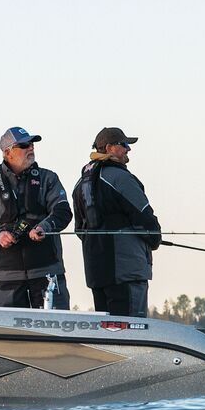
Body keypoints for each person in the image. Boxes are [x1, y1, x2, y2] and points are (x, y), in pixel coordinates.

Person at [0, 127, 73, 308]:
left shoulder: (48, 178)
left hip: (47, 273)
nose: (31, 148)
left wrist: (45, 227)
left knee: (55, 335)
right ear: (7, 152)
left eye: (32, 144)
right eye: (24, 145)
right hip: (7, 279)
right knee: (6, 335)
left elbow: (63, 210)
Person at [72, 127, 161, 317]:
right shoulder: (120, 178)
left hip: (97, 273)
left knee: (108, 336)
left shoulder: (79, 185)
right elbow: (145, 218)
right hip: (126, 272)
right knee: (131, 332)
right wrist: (155, 240)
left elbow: (80, 230)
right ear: (110, 147)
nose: (128, 150)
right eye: (125, 145)